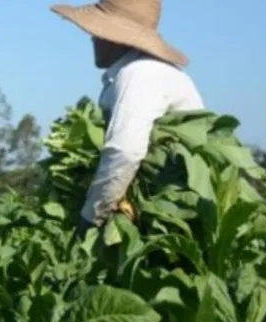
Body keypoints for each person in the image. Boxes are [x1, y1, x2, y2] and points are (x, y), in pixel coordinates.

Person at [50, 0, 204, 235]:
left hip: (172, 218)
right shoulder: (144, 71)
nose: (92, 38)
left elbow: (125, 151)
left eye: (99, 32)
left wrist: (91, 217)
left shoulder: (139, 75)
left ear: (116, 38)